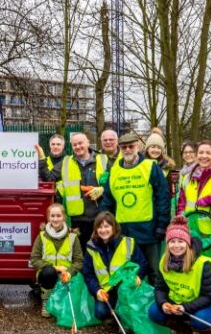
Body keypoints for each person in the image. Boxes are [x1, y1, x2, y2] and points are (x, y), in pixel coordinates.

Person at [148, 215, 211, 334]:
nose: (176, 245)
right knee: (154, 311)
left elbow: (209, 296)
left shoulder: (202, 265)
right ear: (167, 244)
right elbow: (160, 288)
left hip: (207, 304)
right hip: (179, 304)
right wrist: (163, 303)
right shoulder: (164, 262)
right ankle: (183, 331)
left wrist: (186, 308)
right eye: (172, 241)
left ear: (188, 243)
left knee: (200, 318)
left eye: (181, 241)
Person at [100, 132, 170, 285]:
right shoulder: (114, 171)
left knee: (155, 272)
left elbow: (163, 197)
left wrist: (161, 225)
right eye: (124, 147)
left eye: (131, 146)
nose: (127, 150)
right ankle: (130, 306)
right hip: (124, 232)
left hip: (149, 231)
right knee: (128, 272)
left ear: (137, 147)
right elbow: (107, 201)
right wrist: (104, 225)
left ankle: (154, 305)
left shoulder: (150, 167)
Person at [48, 132, 110, 249]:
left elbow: (114, 183)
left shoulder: (103, 160)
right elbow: (50, 177)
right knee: (80, 252)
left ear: (87, 143)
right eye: (74, 145)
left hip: (99, 217)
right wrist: (41, 159)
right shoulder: (66, 162)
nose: (77, 147)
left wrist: (103, 189)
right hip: (77, 219)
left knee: (99, 252)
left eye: (80, 143)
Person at [82, 211, 147, 321]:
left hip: (126, 288)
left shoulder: (128, 243)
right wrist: (97, 290)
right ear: (96, 229)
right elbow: (88, 273)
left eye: (107, 226)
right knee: (100, 312)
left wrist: (138, 276)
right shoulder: (91, 247)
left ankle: (124, 316)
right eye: (100, 227)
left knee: (126, 309)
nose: (103, 230)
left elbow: (142, 263)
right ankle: (116, 315)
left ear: (114, 227)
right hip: (106, 290)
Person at [177, 140, 211, 259]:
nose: (204, 156)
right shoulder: (187, 177)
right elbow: (181, 204)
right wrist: (181, 221)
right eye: (201, 153)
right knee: (193, 270)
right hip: (191, 231)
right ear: (197, 155)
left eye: (208, 153)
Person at [30, 203, 83, 317]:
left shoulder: (73, 237)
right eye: (52, 216)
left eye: (58, 216)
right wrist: (55, 268)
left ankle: (61, 300)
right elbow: (34, 259)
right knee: (48, 272)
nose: (55, 219)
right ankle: (46, 300)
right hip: (48, 275)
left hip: (66, 275)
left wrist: (69, 272)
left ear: (64, 217)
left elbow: (79, 261)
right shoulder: (42, 236)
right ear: (48, 217)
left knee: (66, 311)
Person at [37, 134, 66, 201]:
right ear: (50, 146)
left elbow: (50, 180)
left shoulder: (68, 161)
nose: (55, 147)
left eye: (58, 144)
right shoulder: (44, 161)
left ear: (63, 146)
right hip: (46, 199)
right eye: (53, 144)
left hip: (64, 200)